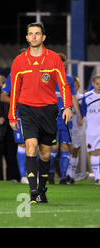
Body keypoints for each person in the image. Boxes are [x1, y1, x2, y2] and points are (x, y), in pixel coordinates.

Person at [9, 22, 73, 204]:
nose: (34, 36)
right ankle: (33, 191)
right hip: (27, 110)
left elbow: (63, 84)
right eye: (31, 34)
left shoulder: (53, 59)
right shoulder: (19, 61)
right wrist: (12, 115)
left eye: (37, 33)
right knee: (31, 146)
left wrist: (67, 106)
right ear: (27, 37)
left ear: (43, 37)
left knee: (45, 154)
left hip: (48, 111)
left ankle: (43, 189)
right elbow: (14, 90)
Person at [52, 53, 83, 184]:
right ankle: (50, 173)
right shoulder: (48, 77)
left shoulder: (69, 78)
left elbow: (73, 97)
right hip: (51, 117)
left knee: (65, 146)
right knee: (53, 147)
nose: (61, 63)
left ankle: (64, 177)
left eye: (63, 61)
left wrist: (79, 115)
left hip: (66, 118)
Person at [1, 48, 28, 184]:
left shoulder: (37, 72)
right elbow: (3, 95)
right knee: (23, 143)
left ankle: (35, 173)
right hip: (19, 115)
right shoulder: (13, 75)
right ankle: (24, 176)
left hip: (37, 113)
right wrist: (16, 102)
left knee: (35, 143)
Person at [79, 75, 100, 185]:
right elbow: (82, 111)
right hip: (92, 129)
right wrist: (80, 118)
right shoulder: (87, 96)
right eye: (97, 84)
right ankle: (97, 177)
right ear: (93, 84)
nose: (99, 86)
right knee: (95, 152)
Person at [66, 77, 84, 183]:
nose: (74, 88)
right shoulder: (64, 97)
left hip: (78, 128)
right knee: (69, 149)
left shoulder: (82, 97)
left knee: (76, 150)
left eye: (76, 86)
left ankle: (72, 175)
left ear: (79, 87)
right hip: (67, 127)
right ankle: (68, 174)